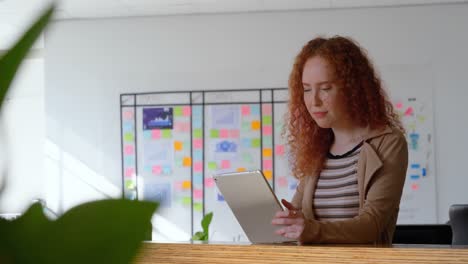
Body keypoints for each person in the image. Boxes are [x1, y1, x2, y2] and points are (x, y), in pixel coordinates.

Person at [271, 36, 408, 245]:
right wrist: (286, 222)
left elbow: (371, 225)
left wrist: (309, 229)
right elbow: (298, 216)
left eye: (325, 88)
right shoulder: (317, 149)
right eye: (307, 89)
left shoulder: (388, 143)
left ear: (353, 88)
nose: (314, 101)